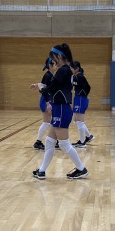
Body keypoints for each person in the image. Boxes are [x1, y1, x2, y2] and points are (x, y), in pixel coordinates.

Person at [29, 43, 88, 180]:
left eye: (53, 57)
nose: (53, 61)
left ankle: (81, 169)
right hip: (59, 108)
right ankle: (42, 171)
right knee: (50, 141)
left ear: (59, 56)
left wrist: (40, 87)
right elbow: (53, 87)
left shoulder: (63, 70)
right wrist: (40, 85)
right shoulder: (65, 70)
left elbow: (49, 89)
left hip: (61, 109)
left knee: (64, 144)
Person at [33, 57, 56, 150]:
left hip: (49, 100)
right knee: (46, 122)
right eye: (54, 63)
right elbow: (44, 91)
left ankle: (56, 140)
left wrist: (36, 85)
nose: (56, 65)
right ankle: (38, 142)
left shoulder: (51, 75)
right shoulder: (48, 75)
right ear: (50, 65)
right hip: (46, 101)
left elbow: (42, 86)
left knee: (51, 122)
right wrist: (47, 103)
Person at [70, 61, 94, 148]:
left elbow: (88, 87)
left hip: (80, 99)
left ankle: (82, 142)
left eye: (71, 68)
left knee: (79, 121)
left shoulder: (79, 76)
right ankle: (89, 136)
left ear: (77, 69)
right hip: (78, 98)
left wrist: (83, 94)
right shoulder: (77, 76)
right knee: (76, 121)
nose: (70, 69)